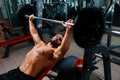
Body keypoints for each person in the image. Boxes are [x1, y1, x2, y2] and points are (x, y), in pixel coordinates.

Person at [0, 14, 73, 80]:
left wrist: (68, 30)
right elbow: (34, 33)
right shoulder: (40, 44)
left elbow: (63, 49)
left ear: (60, 44)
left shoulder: (53, 52)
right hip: (16, 71)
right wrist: (30, 21)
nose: (57, 37)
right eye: (57, 36)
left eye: (60, 39)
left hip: (25, 77)